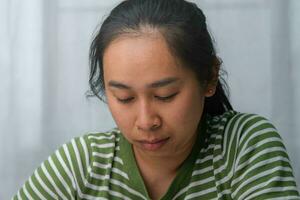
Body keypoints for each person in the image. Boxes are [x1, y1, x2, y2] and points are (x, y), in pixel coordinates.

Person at [14, 0, 299, 199]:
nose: (146, 121)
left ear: (209, 77)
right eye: (124, 98)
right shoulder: (83, 163)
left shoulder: (243, 146)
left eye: (165, 95)